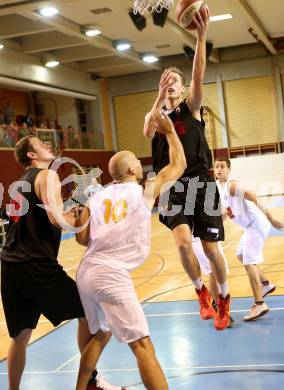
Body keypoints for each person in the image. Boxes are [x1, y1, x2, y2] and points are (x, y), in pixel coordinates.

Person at [75, 110, 186, 390]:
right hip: (110, 274)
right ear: (131, 171)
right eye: (137, 160)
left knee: (100, 334)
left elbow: (81, 238)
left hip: (86, 272)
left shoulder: (97, 195)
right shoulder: (143, 191)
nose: (140, 162)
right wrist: (170, 131)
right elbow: (179, 164)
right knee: (143, 345)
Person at [0, 135, 122, 390]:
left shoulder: (19, 183)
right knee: (89, 315)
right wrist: (85, 213)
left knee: (20, 337)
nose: (47, 145)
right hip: (37, 266)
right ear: (32, 155)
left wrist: (75, 208)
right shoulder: (47, 176)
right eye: (40, 145)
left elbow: (46, 216)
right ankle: (90, 381)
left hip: (10, 266)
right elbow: (57, 220)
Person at [143, 6, 230, 330]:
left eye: (174, 83)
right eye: (166, 83)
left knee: (210, 247)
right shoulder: (157, 116)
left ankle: (223, 295)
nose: (171, 86)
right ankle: (200, 292)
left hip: (201, 183)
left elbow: (197, 75)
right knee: (181, 242)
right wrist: (157, 95)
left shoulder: (191, 108)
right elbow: (147, 131)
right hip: (171, 186)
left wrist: (202, 34)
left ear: (182, 89)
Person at [214, 157, 282, 321]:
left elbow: (254, 197)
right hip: (249, 227)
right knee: (241, 255)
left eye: (222, 166)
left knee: (248, 262)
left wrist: (271, 218)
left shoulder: (233, 185)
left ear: (229, 170)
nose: (219, 169)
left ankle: (260, 304)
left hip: (256, 224)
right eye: (216, 167)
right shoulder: (220, 187)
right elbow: (228, 213)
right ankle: (266, 284)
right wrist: (215, 226)